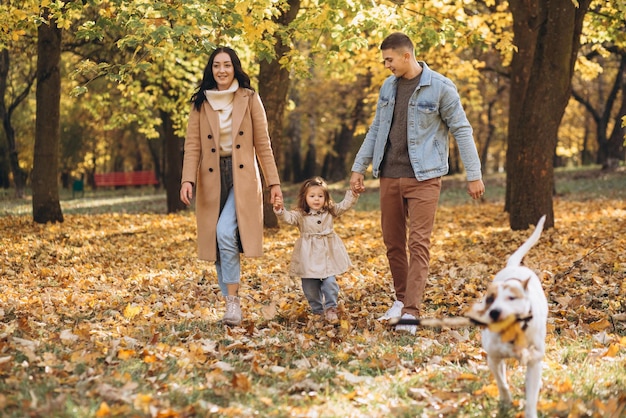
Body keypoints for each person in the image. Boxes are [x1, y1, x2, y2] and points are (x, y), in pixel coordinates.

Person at [349, 32, 485, 334]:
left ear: (406, 56)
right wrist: (359, 167)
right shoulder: (388, 86)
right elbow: (376, 129)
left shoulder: (440, 88)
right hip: (389, 175)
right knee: (393, 243)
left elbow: (462, 129)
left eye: (389, 59)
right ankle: (400, 300)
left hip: (424, 177)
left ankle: (411, 312)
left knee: (418, 243)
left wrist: (473, 174)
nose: (386, 65)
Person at [180, 46, 282, 326]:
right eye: (216, 66)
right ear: (210, 70)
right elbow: (192, 145)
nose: (221, 70)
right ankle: (230, 307)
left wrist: (274, 183)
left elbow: (263, 144)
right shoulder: (201, 102)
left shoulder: (249, 98)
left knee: (225, 231)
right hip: (211, 178)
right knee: (215, 238)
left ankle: (233, 303)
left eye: (226, 65)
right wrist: (187, 179)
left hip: (243, 176)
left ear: (235, 68)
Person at [273, 177, 359, 322]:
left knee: (330, 281)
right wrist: (280, 210)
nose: (316, 200)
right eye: (312, 196)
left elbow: (345, 205)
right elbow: (288, 218)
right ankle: (318, 310)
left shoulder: (330, 211)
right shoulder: (300, 214)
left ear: (325, 197)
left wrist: (353, 193)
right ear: (305, 197)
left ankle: (331, 307)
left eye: (320, 196)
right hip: (308, 254)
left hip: (327, 252)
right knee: (310, 286)